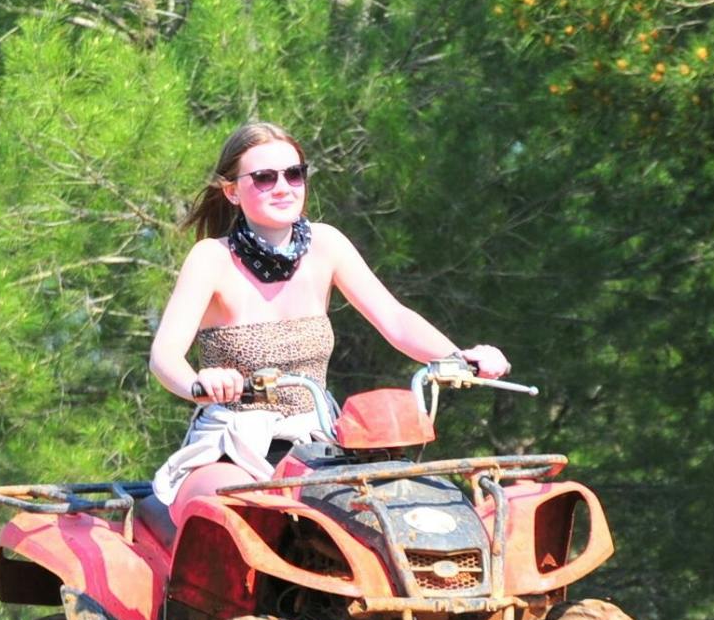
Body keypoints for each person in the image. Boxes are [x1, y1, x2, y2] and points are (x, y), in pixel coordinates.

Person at [149, 120, 510, 523]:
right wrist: (199, 384)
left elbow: (394, 319)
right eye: (264, 177)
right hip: (230, 445)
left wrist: (460, 357)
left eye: (294, 174)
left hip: (316, 441)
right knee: (236, 512)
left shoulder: (326, 244)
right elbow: (164, 355)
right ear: (232, 191)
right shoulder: (211, 258)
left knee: (391, 512)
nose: (283, 187)